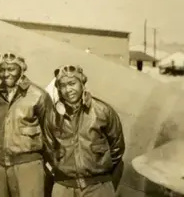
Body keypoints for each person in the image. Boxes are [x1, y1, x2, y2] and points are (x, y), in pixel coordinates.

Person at [42, 65, 125, 197]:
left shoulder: (102, 111)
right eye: (63, 85)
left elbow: (117, 148)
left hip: (98, 187)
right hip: (64, 188)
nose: (68, 89)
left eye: (72, 83)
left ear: (82, 83)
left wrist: (99, 172)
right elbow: (48, 150)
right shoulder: (52, 116)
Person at [0, 52, 52, 197]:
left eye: (11, 69)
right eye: (2, 70)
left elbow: (50, 136)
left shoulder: (38, 95)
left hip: (27, 165)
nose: (6, 74)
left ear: (21, 70)